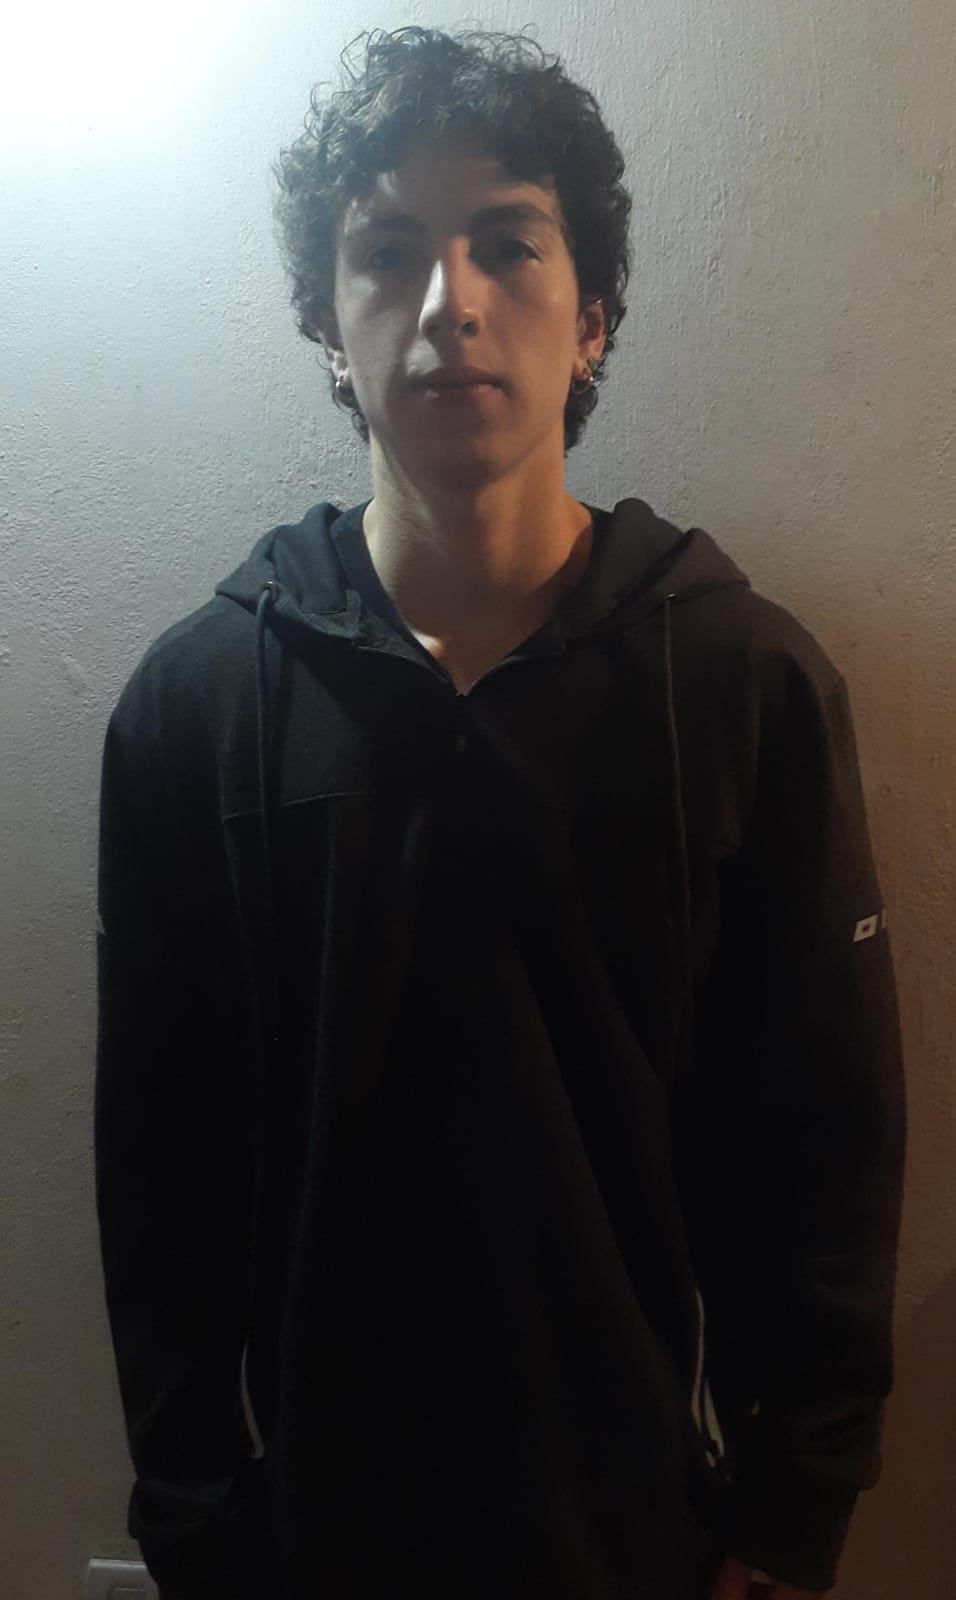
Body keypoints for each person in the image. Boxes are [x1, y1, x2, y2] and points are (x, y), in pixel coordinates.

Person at [94, 25, 906, 1600]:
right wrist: (194, 1519)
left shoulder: (742, 684)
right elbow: (159, 1171)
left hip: (651, 1540)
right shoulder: (196, 710)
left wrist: (794, 1509)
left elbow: (828, 1141)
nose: (448, 302)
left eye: (507, 244)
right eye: (389, 252)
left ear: (592, 320)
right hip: (307, 1546)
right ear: (328, 327)